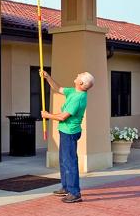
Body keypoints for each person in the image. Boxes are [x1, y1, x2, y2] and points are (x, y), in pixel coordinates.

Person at [40, 70, 94, 203]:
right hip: (65, 131)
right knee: (64, 161)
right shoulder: (74, 91)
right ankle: (66, 187)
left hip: (70, 132)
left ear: (81, 83)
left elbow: (63, 116)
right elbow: (58, 88)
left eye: (78, 76)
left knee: (70, 162)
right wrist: (47, 77)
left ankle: (75, 193)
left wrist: (48, 115)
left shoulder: (78, 98)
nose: (76, 76)